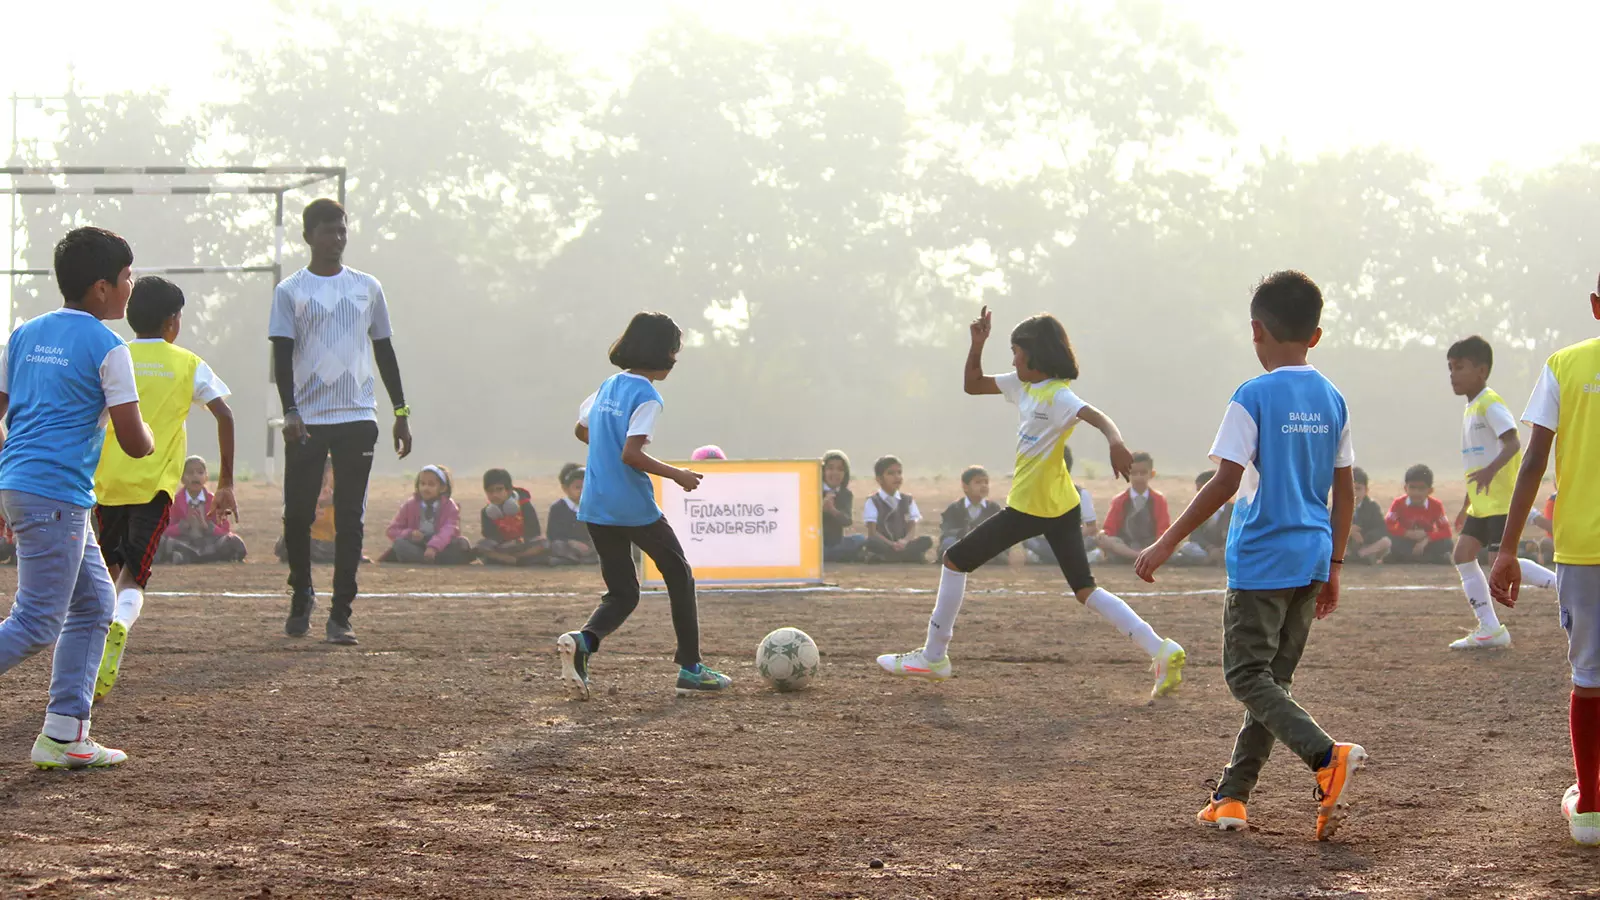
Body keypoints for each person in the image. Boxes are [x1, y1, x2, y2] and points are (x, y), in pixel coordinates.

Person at [1133, 270, 1366, 841]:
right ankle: (1232, 797)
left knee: (1245, 676)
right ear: (1315, 335)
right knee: (1271, 685)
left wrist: (1167, 541)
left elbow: (1224, 482)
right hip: (1312, 557)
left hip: (1263, 557)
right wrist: (1335, 565)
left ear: (1256, 330)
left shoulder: (1252, 395)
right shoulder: (1333, 398)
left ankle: (1324, 755)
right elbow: (1346, 490)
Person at [876, 307, 1186, 700]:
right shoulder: (1022, 385)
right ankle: (1160, 649)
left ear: (1035, 358)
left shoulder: (1058, 394)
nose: (1012, 360)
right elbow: (973, 384)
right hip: (1060, 504)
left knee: (954, 560)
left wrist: (1116, 443)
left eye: (1016, 354)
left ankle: (934, 656)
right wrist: (977, 344)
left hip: (1029, 508)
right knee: (1085, 589)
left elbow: (1098, 416)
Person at [0, 226, 153, 767]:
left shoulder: (23, 334)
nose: (131, 285)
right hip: (57, 493)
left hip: (28, 485)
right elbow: (136, 443)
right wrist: (155, 433)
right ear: (101, 289)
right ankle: (64, 735)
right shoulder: (109, 346)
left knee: (93, 604)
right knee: (38, 621)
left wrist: (10, 478)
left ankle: (64, 734)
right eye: (127, 276)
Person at [559, 312, 731, 699]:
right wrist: (678, 475)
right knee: (680, 575)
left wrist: (607, 445)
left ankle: (584, 641)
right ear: (662, 352)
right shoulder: (648, 396)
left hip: (596, 504)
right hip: (631, 505)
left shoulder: (608, 385)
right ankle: (691, 668)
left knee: (623, 593)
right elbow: (633, 455)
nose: (675, 357)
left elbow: (581, 429)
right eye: (674, 349)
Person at [270, 198, 412, 646]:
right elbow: (281, 354)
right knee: (298, 515)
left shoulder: (367, 287)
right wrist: (290, 409)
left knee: (351, 517)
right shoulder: (291, 290)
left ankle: (341, 613)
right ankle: (301, 593)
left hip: (358, 416)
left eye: (342, 230)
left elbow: (384, 350)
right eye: (328, 231)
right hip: (308, 419)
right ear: (308, 236)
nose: (337, 239)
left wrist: (401, 412)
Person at [1488, 273, 1600, 845]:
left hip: (1584, 550)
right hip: (1582, 550)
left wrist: (1508, 549)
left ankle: (1589, 810)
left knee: (1589, 678)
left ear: (1595, 305)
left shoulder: (1564, 365)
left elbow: (1533, 462)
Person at [91, 277, 237, 701]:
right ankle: (119, 624)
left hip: (105, 483)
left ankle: (99, 643)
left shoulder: (113, 354)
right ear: (173, 322)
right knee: (136, 578)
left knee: (109, 568)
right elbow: (224, 415)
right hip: (153, 487)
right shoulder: (187, 362)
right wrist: (226, 481)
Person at [1446, 336, 1557, 649]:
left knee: (1501, 563)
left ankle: (1568, 587)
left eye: (1460, 367)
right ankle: (1490, 628)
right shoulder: (1471, 408)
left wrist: (1490, 472)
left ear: (1481, 370)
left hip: (1500, 502)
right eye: (1450, 368)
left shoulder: (1490, 403)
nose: (1453, 374)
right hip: (1481, 505)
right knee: (1463, 555)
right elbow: (1476, 462)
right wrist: (1468, 501)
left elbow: (1513, 442)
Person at [160, 456, 248, 565]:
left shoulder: (214, 500)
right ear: (182, 478)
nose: (195, 476)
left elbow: (225, 529)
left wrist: (207, 527)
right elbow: (164, 529)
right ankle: (204, 557)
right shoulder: (175, 502)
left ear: (206, 478)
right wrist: (183, 526)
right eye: (190, 473)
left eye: (200, 473)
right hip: (184, 542)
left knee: (233, 541)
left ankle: (185, 557)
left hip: (209, 543)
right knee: (160, 541)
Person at [1026, 444, 1099, 565]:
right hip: (1046, 541)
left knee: (1093, 540)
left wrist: (1071, 536)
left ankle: (1047, 558)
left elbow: (1092, 527)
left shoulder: (1081, 494)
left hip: (1071, 540)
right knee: (1029, 541)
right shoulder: (1036, 493)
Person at [383, 465, 472, 565]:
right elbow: (391, 530)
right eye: (423, 484)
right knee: (399, 544)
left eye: (431, 484)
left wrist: (433, 547)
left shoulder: (449, 506)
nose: (426, 488)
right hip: (418, 545)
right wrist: (410, 533)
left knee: (462, 543)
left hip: (442, 546)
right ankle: (432, 560)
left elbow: (449, 530)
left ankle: (429, 559)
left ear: (442, 488)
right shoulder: (410, 505)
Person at [1097, 452, 1170, 562]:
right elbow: (1109, 529)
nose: (1138, 477)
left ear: (1152, 474)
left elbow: (1163, 529)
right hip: (1126, 546)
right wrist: (1103, 535)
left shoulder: (1158, 500)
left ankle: (1142, 556)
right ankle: (1138, 556)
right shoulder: (1119, 500)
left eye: (1143, 473)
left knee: (1172, 539)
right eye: (1134, 473)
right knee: (1105, 539)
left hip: (1151, 545)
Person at [862, 455, 935, 563]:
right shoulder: (873, 501)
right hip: (885, 544)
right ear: (879, 479)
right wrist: (892, 544)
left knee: (927, 540)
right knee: (871, 542)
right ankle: (907, 557)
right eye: (890, 473)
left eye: (899, 473)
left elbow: (912, 529)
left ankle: (890, 558)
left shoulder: (907, 500)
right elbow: (873, 532)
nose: (897, 477)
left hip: (903, 544)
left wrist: (904, 542)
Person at [476, 468, 548, 566]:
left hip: (524, 545)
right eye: (490, 491)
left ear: (509, 490)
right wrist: (505, 544)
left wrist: (518, 541)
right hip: (503, 547)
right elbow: (490, 536)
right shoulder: (487, 512)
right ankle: (509, 559)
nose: (495, 494)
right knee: (481, 546)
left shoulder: (524, 505)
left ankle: (516, 558)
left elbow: (534, 531)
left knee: (544, 542)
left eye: (499, 489)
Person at [1385, 465, 1454, 564]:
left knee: (1447, 543)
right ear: (1405, 488)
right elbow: (1387, 526)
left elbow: (1446, 531)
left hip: (1426, 543)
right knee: (1390, 541)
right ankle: (1429, 559)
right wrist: (1406, 533)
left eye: (1421, 488)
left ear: (1430, 491)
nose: (1416, 492)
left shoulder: (1436, 505)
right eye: (1412, 487)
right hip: (1406, 541)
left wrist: (1427, 538)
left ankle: (1407, 558)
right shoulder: (1398, 503)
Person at [939, 465, 1002, 559]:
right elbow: (947, 530)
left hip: (984, 544)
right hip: (960, 543)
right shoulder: (955, 508)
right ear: (965, 487)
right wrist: (963, 533)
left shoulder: (993, 508)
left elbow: (999, 532)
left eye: (986, 482)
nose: (984, 485)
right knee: (948, 543)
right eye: (978, 482)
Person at [1175, 470, 1230, 566]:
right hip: (1207, 549)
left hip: (1227, 548)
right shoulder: (1199, 509)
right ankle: (1211, 559)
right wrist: (1210, 548)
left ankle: (1216, 559)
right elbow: (1195, 536)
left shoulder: (1233, 508)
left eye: (1202, 491)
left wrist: (1223, 548)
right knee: (1187, 547)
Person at [547, 463, 599, 566]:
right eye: (577, 487)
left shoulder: (593, 506)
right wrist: (571, 542)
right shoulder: (558, 508)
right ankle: (572, 559)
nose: (582, 491)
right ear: (565, 488)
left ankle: (582, 558)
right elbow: (553, 535)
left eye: (585, 487)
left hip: (588, 545)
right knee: (557, 545)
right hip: (567, 545)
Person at [821, 450, 867, 563]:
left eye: (840, 469)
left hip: (836, 543)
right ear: (823, 471)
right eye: (830, 468)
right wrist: (820, 509)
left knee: (860, 539)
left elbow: (847, 521)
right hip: (815, 545)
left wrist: (833, 510)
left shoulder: (845, 494)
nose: (835, 473)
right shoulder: (813, 490)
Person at [1348, 467, 1391, 565]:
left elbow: (1381, 529)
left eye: (1358, 489)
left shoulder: (1372, 507)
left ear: (1366, 490)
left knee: (1386, 542)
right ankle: (1348, 556)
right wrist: (1348, 530)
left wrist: (1364, 536)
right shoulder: (1338, 506)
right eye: (1350, 488)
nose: (1354, 493)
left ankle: (1360, 556)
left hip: (1366, 544)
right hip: (1346, 545)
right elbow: (1330, 525)